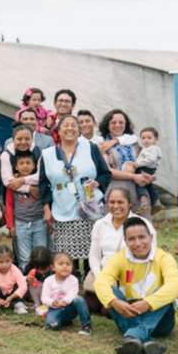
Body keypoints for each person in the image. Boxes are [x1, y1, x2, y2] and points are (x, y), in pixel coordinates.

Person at [94, 216, 178, 354]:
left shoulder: (164, 258)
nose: (138, 243)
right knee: (112, 292)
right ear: (125, 241)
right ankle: (146, 343)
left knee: (166, 293)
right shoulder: (119, 258)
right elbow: (101, 281)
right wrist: (114, 302)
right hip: (129, 312)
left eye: (142, 237)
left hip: (160, 322)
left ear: (151, 237)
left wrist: (147, 303)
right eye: (132, 239)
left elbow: (175, 286)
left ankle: (134, 335)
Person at [39, 115, 110, 279]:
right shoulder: (48, 154)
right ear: (59, 130)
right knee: (65, 252)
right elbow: (43, 185)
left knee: (92, 249)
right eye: (66, 125)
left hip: (90, 209)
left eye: (73, 125)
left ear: (79, 130)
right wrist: (46, 209)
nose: (70, 128)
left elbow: (105, 174)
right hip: (62, 209)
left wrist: (97, 183)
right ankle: (70, 281)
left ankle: (92, 280)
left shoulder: (90, 148)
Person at [87, 187, 156, 308]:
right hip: (105, 275)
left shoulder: (142, 224)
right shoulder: (100, 224)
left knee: (111, 309)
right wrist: (100, 276)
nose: (115, 206)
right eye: (112, 202)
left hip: (130, 278)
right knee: (90, 305)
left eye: (120, 202)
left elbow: (151, 256)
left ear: (129, 204)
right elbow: (94, 255)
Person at [97, 109, 153, 208]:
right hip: (116, 191)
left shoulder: (135, 142)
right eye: (113, 122)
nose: (117, 125)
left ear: (126, 124)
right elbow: (107, 171)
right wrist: (134, 177)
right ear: (107, 125)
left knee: (140, 221)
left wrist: (147, 174)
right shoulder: (102, 144)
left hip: (139, 191)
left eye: (121, 122)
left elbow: (147, 160)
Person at [9, 150, 48, 269]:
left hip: (39, 222)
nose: (25, 166)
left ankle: (42, 279)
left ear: (34, 165)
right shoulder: (12, 183)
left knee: (41, 253)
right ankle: (25, 281)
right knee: (24, 256)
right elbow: (9, 204)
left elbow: (43, 196)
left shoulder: (39, 182)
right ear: (16, 166)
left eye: (28, 163)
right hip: (21, 223)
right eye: (21, 163)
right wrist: (11, 225)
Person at [40, 252, 91, 335]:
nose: (65, 266)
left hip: (69, 308)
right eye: (60, 264)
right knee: (52, 326)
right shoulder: (48, 280)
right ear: (53, 267)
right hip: (54, 309)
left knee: (79, 299)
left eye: (68, 264)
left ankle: (86, 326)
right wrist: (53, 302)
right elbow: (44, 297)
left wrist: (64, 301)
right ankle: (61, 321)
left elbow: (73, 294)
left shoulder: (73, 280)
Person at [133, 127, 163, 214]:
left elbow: (151, 159)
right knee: (149, 185)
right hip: (149, 169)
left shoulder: (152, 148)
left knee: (140, 184)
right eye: (143, 138)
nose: (146, 140)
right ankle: (156, 201)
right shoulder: (148, 148)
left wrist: (138, 164)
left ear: (155, 139)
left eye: (149, 138)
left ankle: (144, 201)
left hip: (145, 168)